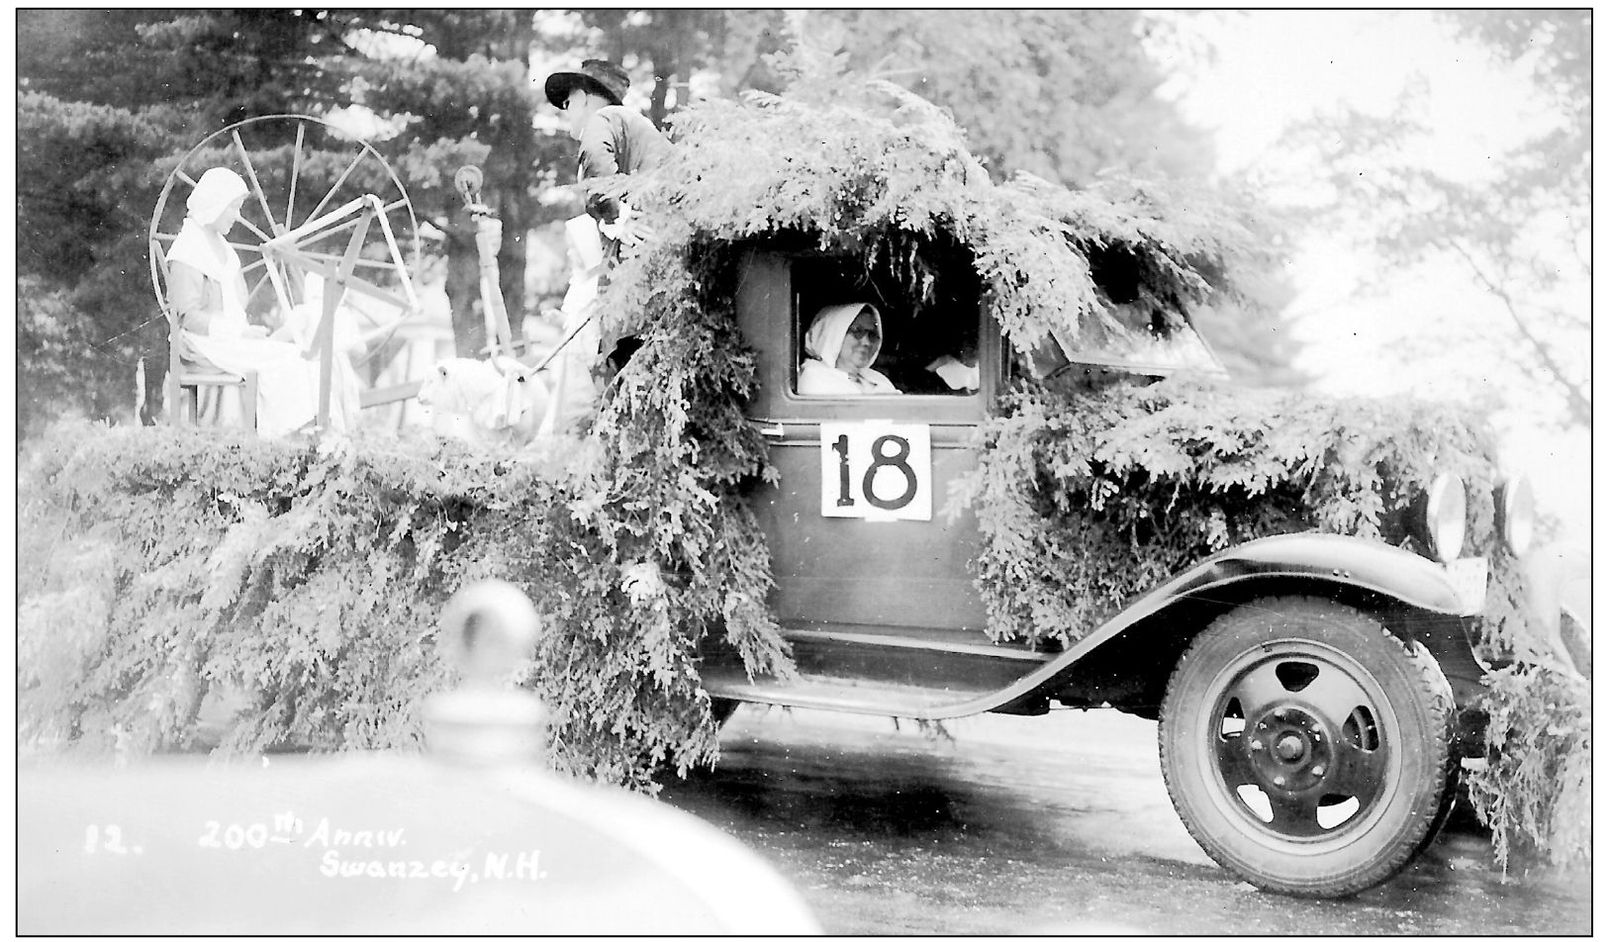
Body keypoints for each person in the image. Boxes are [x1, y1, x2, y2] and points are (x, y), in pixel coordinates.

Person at [166, 167, 360, 436]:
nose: (237, 216)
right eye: (233, 208)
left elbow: (235, 306)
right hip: (200, 345)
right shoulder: (187, 251)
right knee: (288, 361)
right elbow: (187, 317)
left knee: (299, 357)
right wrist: (238, 332)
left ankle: (311, 430)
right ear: (214, 205)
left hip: (227, 341)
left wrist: (245, 333)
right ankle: (284, 434)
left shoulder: (223, 248)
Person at [798, 303, 901, 396]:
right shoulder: (815, 378)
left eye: (872, 335)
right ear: (833, 334)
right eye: (857, 331)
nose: (867, 342)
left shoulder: (877, 379)